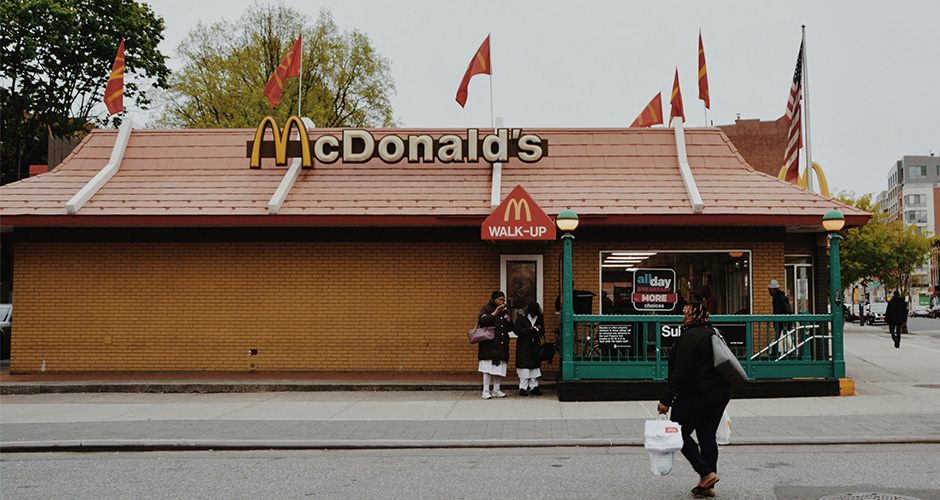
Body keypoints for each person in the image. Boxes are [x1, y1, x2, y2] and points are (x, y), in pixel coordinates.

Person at [657, 301, 731, 498]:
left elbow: (681, 372)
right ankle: (707, 485)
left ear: (694, 316)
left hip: (696, 394)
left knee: (677, 432)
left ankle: (705, 473)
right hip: (718, 394)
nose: (683, 317)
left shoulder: (690, 337)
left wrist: (666, 400)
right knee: (707, 436)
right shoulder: (714, 333)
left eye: (687, 314)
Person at [477, 291, 512, 399]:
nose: (502, 302)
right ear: (494, 299)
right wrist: (494, 313)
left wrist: (509, 321)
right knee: (487, 368)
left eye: (503, 300)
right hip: (489, 344)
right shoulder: (486, 309)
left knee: (499, 368)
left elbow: (510, 329)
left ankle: (497, 389)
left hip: (501, 344)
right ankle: (485, 390)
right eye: (500, 300)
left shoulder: (504, 311)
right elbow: (482, 322)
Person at [514, 302, 545, 396]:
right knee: (524, 368)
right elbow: (517, 331)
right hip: (523, 345)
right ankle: (523, 387)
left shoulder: (539, 318)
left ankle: (534, 387)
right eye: (532, 313)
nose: (534, 315)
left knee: (534, 367)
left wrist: (540, 329)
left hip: (534, 345)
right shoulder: (521, 318)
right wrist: (529, 329)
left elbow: (543, 331)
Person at [768, 279, 793, 351]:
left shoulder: (781, 298)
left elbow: (788, 311)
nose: (769, 292)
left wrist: (786, 325)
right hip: (780, 324)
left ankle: (779, 353)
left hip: (783, 325)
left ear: (774, 289)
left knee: (781, 340)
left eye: (770, 290)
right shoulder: (777, 298)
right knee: (780, 340)